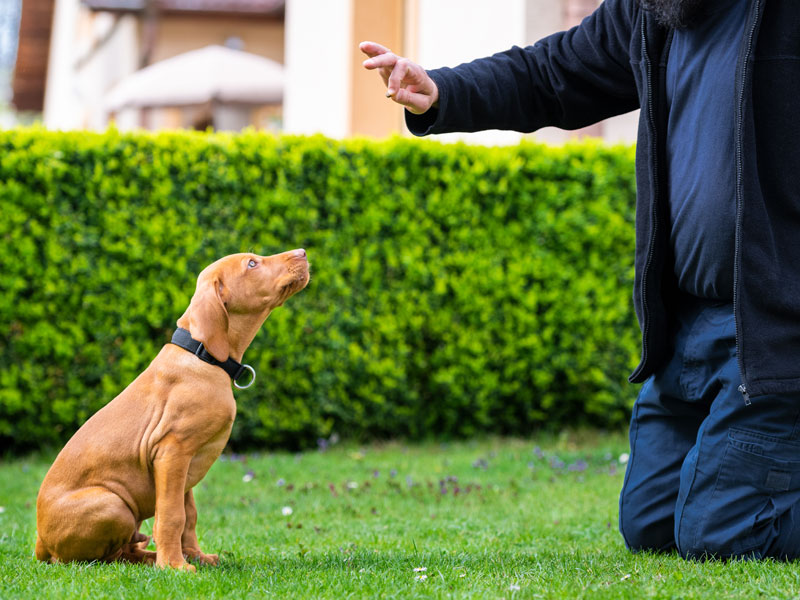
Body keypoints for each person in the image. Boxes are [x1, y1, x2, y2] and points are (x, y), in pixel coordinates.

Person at [361, 0, 800, 560]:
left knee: (720, 534)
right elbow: (551, 74)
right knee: (651, 525)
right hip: (687, 330)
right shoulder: (654, 12)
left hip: (773, 334)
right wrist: (444, 92)